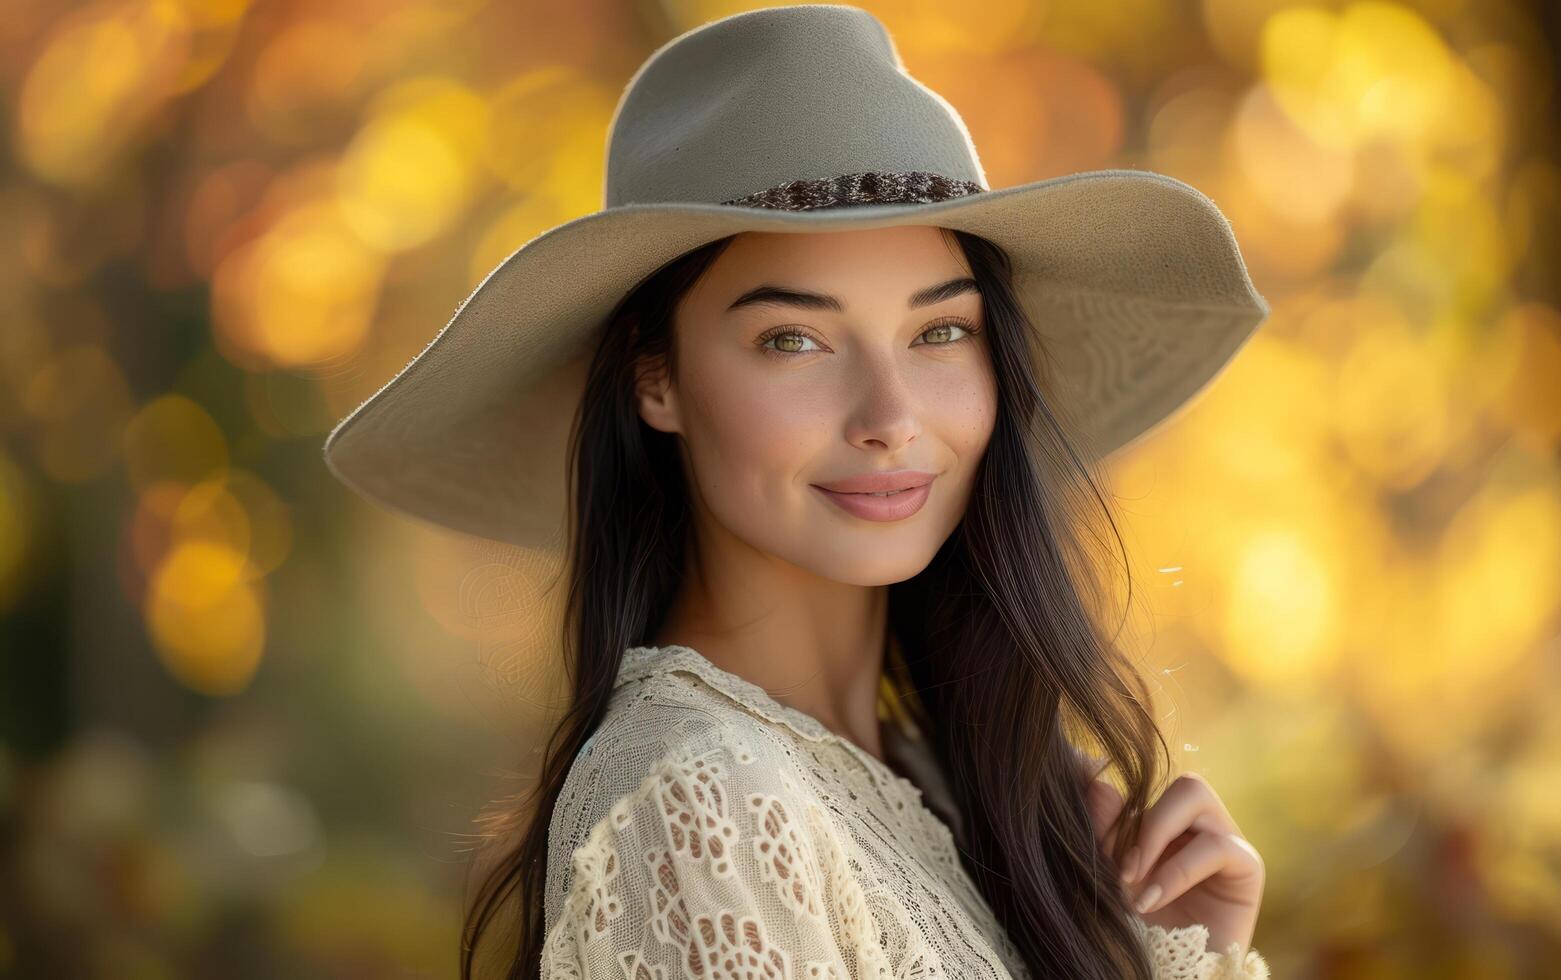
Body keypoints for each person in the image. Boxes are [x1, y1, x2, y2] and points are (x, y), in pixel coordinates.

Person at [322, 6, 1275, 979]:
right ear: (656, 380)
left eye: (939, 331)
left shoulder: (954, 785)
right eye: (794, 339)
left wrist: (1168, 949)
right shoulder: (705, 799)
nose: (889, 416)